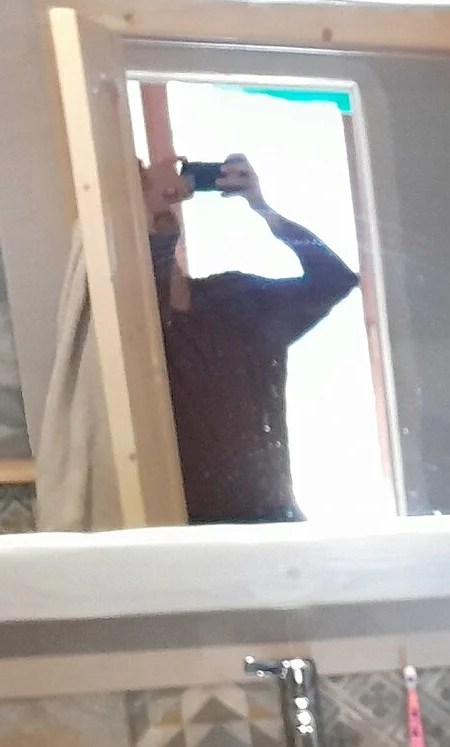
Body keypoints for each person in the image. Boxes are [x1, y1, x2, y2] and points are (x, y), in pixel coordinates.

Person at [141, 153, 358, 524]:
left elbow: (333, 280)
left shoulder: (237, 298)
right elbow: (156, 285)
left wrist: (263, 208)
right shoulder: (138, 329)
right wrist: (155, 214)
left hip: (276, 520)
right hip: (191, 533)